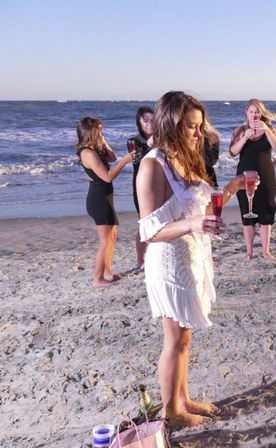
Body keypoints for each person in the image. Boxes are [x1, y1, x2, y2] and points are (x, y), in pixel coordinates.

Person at [136, 91, 248, 427]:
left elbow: (201, 207)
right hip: (169, 263)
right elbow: (148, 230)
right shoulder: (152, 166)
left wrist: (234, 186)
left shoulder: (184, 158)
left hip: (192, 259)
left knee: (184, 337)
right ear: (171, 125)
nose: (199, 134)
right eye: (191, 127)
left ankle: (182, 399)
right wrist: (193, 224)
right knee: (173, 340)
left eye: (200, 126)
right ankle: (172, 412)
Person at [75, 117, 133, 287]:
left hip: (105, 198)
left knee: (112, 236)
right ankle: (97, 279)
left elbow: (111, 157)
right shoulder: (88, 153)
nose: (101, 133)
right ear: (90, 131)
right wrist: (125, 161)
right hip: (98, 200)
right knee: (105, 240)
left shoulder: (93, 149)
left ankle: (107, 271)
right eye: (99, 130)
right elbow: (107, 177)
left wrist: (102, 139)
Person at [229, 99, 276, 261]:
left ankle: (265, 251)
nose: (254, 115)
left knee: (265, 213)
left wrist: (266, 129)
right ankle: (249, 252)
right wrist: (244, 138)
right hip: (244, 178)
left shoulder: (270, 128)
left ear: (261, 114)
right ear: (246, 113)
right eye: (251, 112)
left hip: (266, 177)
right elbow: (233, 152)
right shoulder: (240, 130)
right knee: (247, 215)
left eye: (257, 112)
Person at [128, 106, 154, 268]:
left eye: (153, 120)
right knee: (144, 223)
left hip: (162, 183)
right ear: (139, 122)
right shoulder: (134, 142)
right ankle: (140, 259)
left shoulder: (164, 139)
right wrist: (151, 144)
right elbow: (139, 159)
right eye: (146, 121)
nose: (150, 124)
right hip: (142, 186)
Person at [203, 119, 220, 187]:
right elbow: (214, 161)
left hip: (205, 174)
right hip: (210, 175)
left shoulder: (210, 136)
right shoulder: (213, 135)